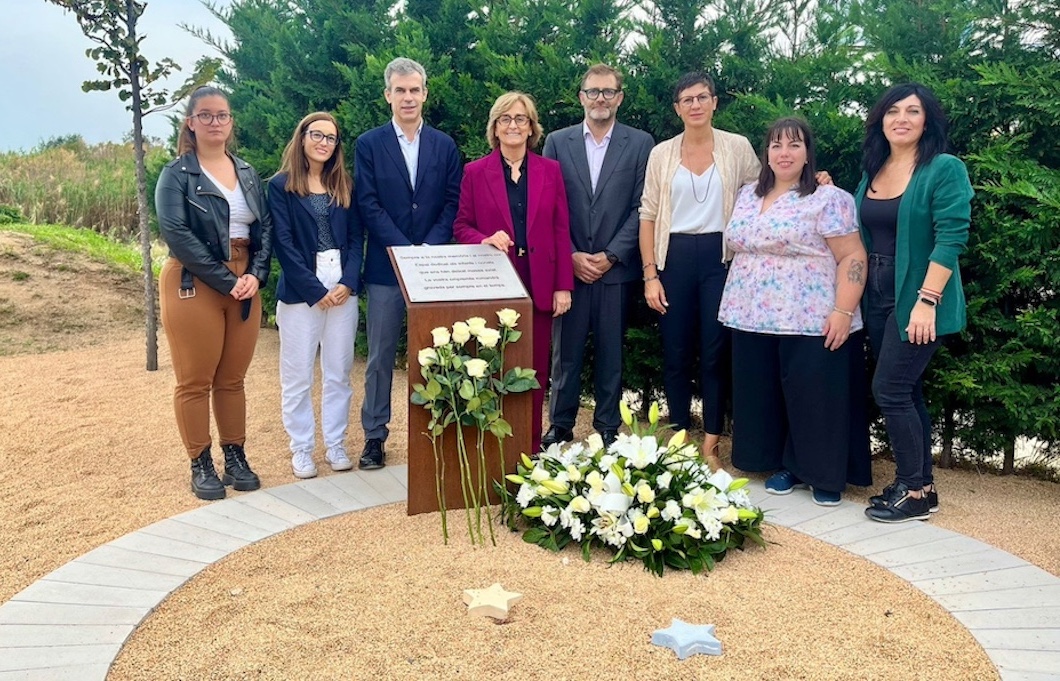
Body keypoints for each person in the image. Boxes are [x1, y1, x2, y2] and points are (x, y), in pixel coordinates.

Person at [719, 117, 871, 506]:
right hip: (751, 313)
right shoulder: (748, 194)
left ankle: (822, 473)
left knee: (814, 394)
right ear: (766, 153)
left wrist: (843, 309)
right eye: (776, 146)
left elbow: (852, 254)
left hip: (810, 314)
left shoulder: (828, 198)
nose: (784, 153)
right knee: (769, 393)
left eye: (794, 145)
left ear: (808, 154)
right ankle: (783, 464)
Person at [857, 83, 973, 523]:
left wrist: (927, 301)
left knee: (889, 389)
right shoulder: (875, 169)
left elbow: (952, 237)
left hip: (919, 294)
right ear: (881, 120)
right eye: (893, 111)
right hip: (877, 295)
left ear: (927, 121)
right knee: (907, 389)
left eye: (913, 111)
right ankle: (920, 484)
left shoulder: (943, 168)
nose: (901, 118)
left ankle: (914, 490)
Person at [155, 86, 273, 500]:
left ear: (230, 122)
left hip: (245, 280)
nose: (215, 122)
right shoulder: (176, 174)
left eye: (222, 115)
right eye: (205, 115)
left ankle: (235, 456)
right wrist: (228, 281)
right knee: (195, 379)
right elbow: (177, 233)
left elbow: (265, 228)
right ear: (190, 122)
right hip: (195, 280)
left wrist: (256, 274)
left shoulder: (247, 171)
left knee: (232, 379)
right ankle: (200, 461)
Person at [638, 72, 760, 470]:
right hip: (673, 257)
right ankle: (677, 437)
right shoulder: (661, 153)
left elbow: (766, 191)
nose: (695, 105)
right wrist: (650, 274)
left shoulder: (737, 147)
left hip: (719, 259)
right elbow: (649, 216)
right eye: (687, 99)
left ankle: (710, 441)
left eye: (702, 97)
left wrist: (817, 180)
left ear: (714, 102)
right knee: (674, 352)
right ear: (677, 108)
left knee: (713, 353)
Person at [356, 57, 462, 470]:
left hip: (434, 268)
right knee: (381, 355)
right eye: (400, 90)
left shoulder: (444, 145)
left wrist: (427, 250)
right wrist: (404, 251)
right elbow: (367, 203)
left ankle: (436, 432)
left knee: (435, 354)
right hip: (386, 268)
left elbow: (453, 201)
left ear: (425, 93)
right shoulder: (369, 144)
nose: (408, 97)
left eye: (414, 89)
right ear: (388, 95)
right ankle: (375, 437)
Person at [453, 92, 574, 453]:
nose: (513, 125)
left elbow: (560, 229)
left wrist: (562, 287)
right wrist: (484, 238)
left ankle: (531, 446)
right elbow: (461, 226)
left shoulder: (550, 171)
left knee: (534, 369)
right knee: (493, 364)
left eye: (521, 119)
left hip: (539, 281)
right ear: (495, 127)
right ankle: (492, 447)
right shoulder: (475, 172)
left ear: (532, 127)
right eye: (505, 119)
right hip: (497, 279)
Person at [541, 64, 654, 451]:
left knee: (611, 354)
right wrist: (569, 253)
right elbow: (549, 204)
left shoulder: (640, 144)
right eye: (593, 92)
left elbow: (643, 206)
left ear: (620, 97)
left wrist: (611, 254)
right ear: (581, 98)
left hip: (615, 269)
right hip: (568, 269)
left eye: (608, 92)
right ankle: (560, 425)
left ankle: (607, 427)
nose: (600, 99)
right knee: (565, 355)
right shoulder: (557, 141)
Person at [268, 112, 363, 479]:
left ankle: (336, 443)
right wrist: (313, 289)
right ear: (302, 137)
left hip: (342, 285)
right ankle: (302, 449)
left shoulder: (344, 185)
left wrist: (348, 282)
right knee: (297, 375)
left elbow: (357, 238)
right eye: (317, 135)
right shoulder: (280, 186)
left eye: (331, 138)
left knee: (339, 372)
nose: (324, 142)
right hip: (300, 289)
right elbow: (284, 242)